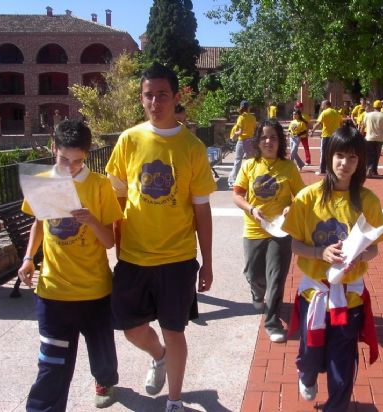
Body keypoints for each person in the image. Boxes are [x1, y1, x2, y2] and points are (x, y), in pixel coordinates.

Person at [105, 62, 217, 412]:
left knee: (175, 330)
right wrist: (116, 246)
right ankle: (158, 356)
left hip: (177, 258)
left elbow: (201, 209)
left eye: (162, 95)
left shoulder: (192, 147)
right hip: (134, 257)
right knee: (130, 328)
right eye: (148, 95)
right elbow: (117, 199)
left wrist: (208, 262)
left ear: (176, 97)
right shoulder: (129, 140)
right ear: (142, 99)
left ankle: (175, 400)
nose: (155, 102)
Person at [17, 119, 123, 411]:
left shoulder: (100, 185)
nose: (70, 167)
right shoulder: (43, 181)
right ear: (54, 148)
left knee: (101, 351)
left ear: (86, 157)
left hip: (95, 291)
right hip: (53, 291)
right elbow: (39, 223)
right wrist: (28, 258)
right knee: (51, 363)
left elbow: (109, 242)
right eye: (64, 159)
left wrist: (91, 220)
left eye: (78, 162)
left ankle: (105, 380)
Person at [282, 125, 383, 411]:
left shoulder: (368, 201)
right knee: (312, 355)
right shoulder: (307, 198)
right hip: (314, 296)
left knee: (341, 363)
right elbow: (294, 245)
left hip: (349, 297)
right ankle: (306, 373)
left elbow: (375, 248)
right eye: (340, 155)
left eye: (353, 158)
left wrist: (360, 256)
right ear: (329, 155)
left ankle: (336, 406)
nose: (345, 163)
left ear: (360, 162)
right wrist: (320, 251)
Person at [232, 120, 305, 342]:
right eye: (264, 137)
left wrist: (290, 208)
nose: (268, 141)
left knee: (276, 277)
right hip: (254, 228)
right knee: (254, 274)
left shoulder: (288, 166)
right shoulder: (249, 165)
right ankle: (257, 291)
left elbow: (302, 196)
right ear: (258, 140)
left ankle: (272, 322)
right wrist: (251, 208)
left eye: (273, 137)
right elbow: (237, 195)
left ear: (280, 140)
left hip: (280, 231)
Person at [228, 100, 257, 188]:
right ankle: (251, 179)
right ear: (248, 108)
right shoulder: (252, 117)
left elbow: (240, 131)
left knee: (238, 160)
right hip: (250, 140)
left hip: (242, 141)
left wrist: (233, 136)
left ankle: (233, 180)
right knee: (250, 161)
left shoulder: (241, 117)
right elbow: (255, 130)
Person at [310, 99, 342, 175]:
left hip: (326, 136)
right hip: (335, 136)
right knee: (333, 153)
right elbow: (340, 124)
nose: (321, 106)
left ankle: (322, 170)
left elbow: (318, 123)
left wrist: (312, 131)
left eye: (322, 104)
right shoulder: (336, 112)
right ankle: (331, 169)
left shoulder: (324, 112)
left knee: (323, 153)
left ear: (326, 105)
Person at [362, 99, 383, 177]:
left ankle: (368, 169)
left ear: (373, 106)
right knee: (376, 156)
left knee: (369, 155)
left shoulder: (367, 115)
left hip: (369, 138)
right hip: (379, 139)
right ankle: (373, 171)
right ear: (380, 107)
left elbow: (362, 126)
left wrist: (360, 136)